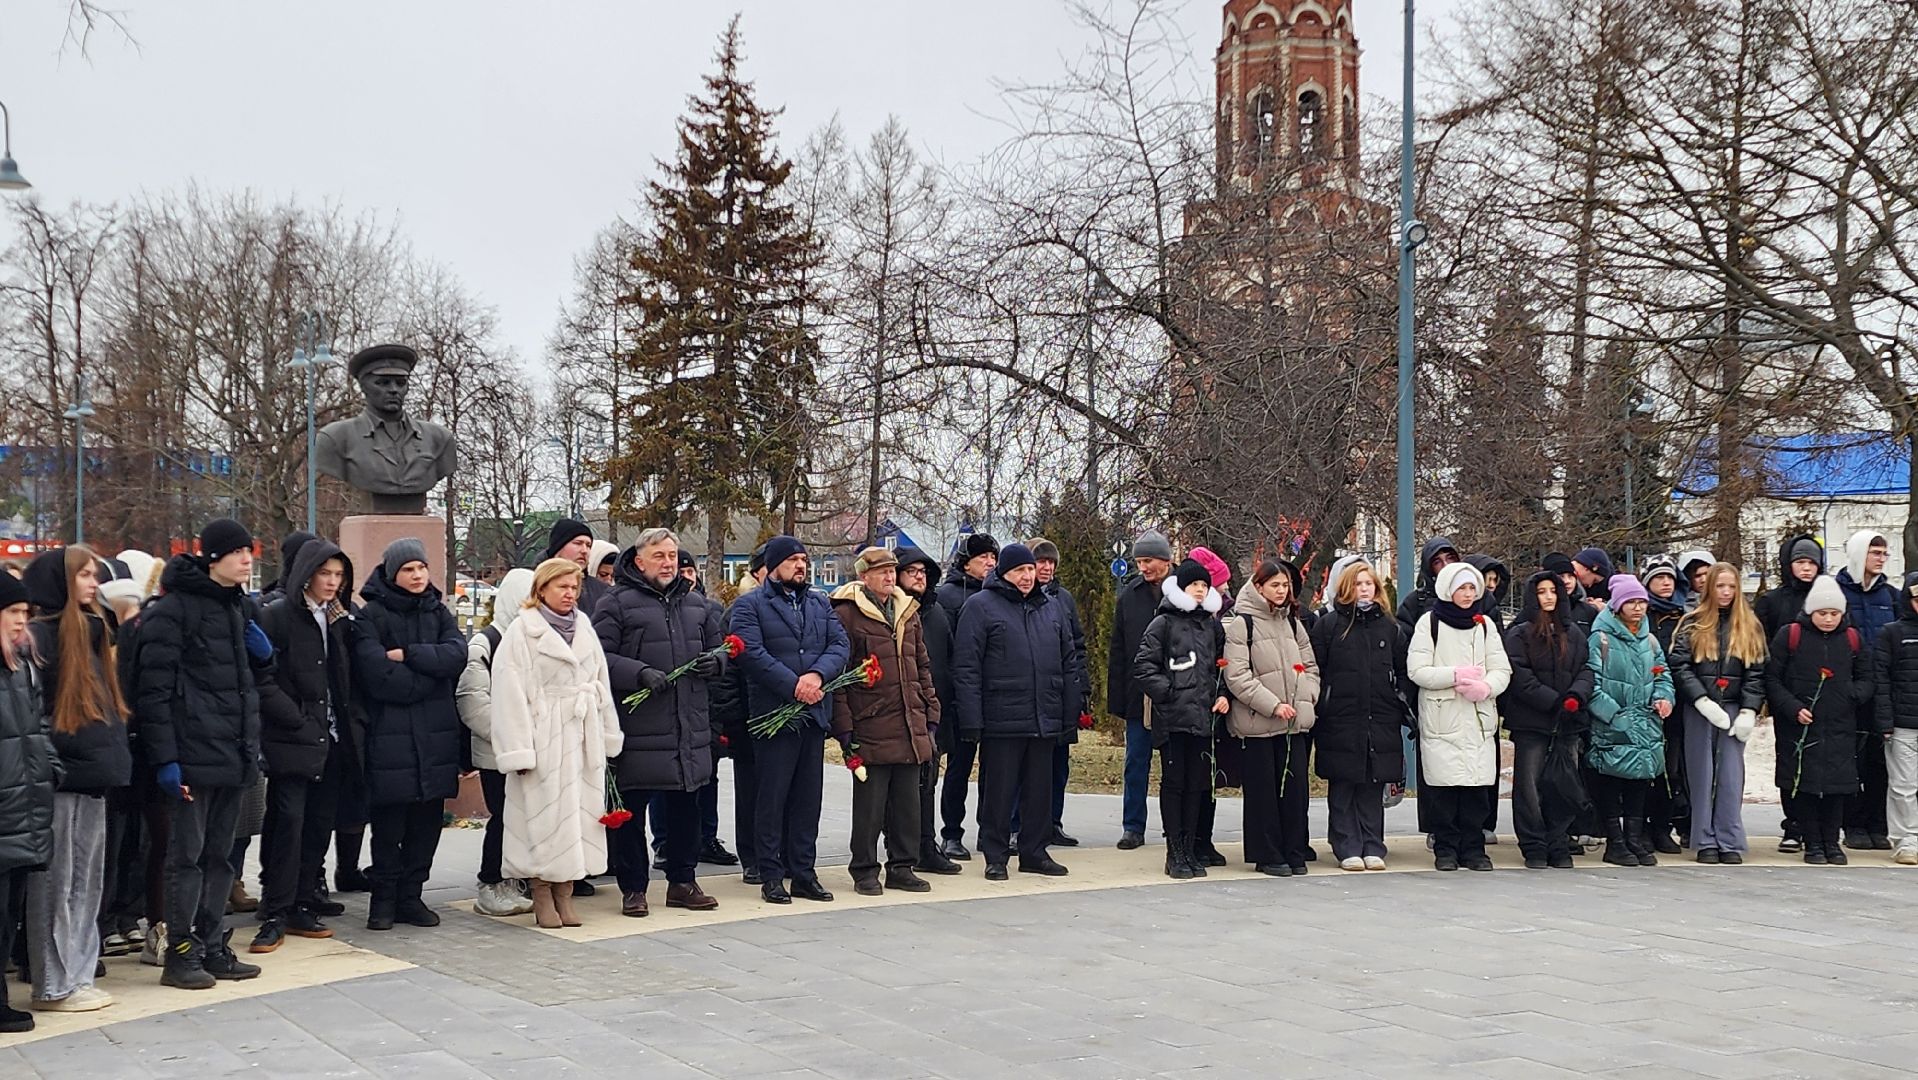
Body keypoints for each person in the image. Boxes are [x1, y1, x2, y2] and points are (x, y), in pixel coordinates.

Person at [133, 518, 264, 989]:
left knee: (221, 858)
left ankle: (212, 945)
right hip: (191, 756)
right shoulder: (174, 611)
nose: (247, 560)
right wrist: (166, 759)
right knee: (184, 859)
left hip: (233, 754)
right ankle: (180, 951)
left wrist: (263, 657)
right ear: (213, 558)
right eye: (237, 552)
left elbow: (246, 688)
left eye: (249, 552)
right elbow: (154, 692)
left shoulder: (238, 608)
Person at [595, 529, 727, 916]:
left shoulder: (696, 603)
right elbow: (598, 656)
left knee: (687, 806)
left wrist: (716, 661)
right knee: (632, 812)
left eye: (672, 555)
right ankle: (633, 887)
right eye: (659, 556)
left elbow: (721, 649)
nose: (669, 563)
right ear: (639, 561)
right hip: (638, 726)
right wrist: (638, 673)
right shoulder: (615, 603)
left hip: (688, 723)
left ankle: (683, 882)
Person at [22, 547, 130, 1012]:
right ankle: (52, 981)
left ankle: (79, 973)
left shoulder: (93, 632)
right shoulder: (42, 639)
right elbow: (36, 713)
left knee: (87, 882)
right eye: (84, 575)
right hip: (62, 779)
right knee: (57, 885)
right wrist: (55, 764)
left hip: (94, 775)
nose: (93, 583)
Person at [490, 558, 623, 929]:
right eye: (562, 586)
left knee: (579, 817)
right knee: (542, 818)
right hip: (542, 736)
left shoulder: (584, 626)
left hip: (581, 735)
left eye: (574, 587)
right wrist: (518, 748)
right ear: (542, 589)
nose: (570, 594)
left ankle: (566, 892)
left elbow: (601, 682)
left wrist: (607, 733)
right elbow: (508, 693)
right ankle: (541, 892)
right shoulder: (522, 632)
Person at [250, 540, 363, 953]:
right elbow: (263, 678)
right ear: (307, 575)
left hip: (331, 736)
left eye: (339, 576)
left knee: (318, 823)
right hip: (292, 737)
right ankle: (275, 908)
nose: (333, 583)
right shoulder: (278, 615)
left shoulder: (337, 618)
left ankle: (302, 900)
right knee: (288, 823)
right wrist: (295, 718)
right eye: (325, 574)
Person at [352, 538, 466, 931]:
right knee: (389, 827)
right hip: (390, 740)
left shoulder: (438, 611)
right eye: (408, 570)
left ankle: (411, 897)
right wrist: (429, 677)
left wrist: (409, 655)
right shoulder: (371, 616)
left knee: (426, 825)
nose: (417, 576)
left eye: (421, 568)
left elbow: (457, 654)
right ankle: (382, 902)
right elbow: (377, 676)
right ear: (391, 573)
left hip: (434, 740)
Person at [731, 536, 851, 904]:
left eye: (804, 559)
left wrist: (816, 676)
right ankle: (771, 875)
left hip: (812, 715)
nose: (801, 565)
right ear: (774, 565)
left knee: (806, 800)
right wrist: (793, 686)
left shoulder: (818, 602)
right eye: (794, 560)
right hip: (773, 714)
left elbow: (840, 645)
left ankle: (803, 872)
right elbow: (750, 652)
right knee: (772, 798)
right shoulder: (750, 605)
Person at [953, 543, 1077, 880]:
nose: (1027, 576)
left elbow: (1068, 663)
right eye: (1019, 570)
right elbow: (966, 667)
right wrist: (971, 719)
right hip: (1001, 717)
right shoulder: (980, 606)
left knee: (1040, 790)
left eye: (1030, 570)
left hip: (1043, 715)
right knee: (999, 790)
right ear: (1003, 573)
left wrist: (1068, 714)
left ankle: (1034, 852)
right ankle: (995, 854)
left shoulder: (1050, 607)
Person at [830, 547, 938, 895]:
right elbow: (840, 674)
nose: (890, 578)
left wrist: (930, 710)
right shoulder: (846, 614)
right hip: (870, 721)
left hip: (909, 720)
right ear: (864, 577)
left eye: (893, 571)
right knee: (870, 807)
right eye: (882, 572)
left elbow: (921, 664)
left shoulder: (908, 610)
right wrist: (845, 726)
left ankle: (902, 866)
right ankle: (864, 870)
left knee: (908, 803)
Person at [1407, 561, 1512, 871]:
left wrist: (1486, 687)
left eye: (1472, 588)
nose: (1467, 594)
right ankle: (1446, 847)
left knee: (1476, 787)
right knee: (1444, 787)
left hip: (1478, 719)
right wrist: (1454, 675)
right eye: (1461, 588)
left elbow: (1502, 668)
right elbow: (1417, 670)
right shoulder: (1430, 623)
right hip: (1443, 717)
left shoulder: (1485, 625)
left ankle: (1474, 848)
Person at [1768, 575, 1873, 865]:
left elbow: (1867, 677)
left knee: (1838, 786)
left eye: (1834, 614)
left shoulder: (1852, 638)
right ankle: (1812, 841)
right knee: (1806, 785)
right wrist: (1792, 707)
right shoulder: (1791, 635)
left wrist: (1853, 695)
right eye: (1822, 613)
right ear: (1811, 611)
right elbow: (1773, 679)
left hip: (1840, 724)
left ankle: (1832, 841)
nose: (1828, 619)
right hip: (1801, 725)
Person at [1310, 561, 1409, 870]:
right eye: (1358, 583)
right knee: (1343, 784)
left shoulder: (1390, 627)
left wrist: (1398, 701)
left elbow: (1402, 671)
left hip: (1379, 716)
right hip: (1340, 716)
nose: (1364, 589)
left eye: (1369, 583)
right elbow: (1318, 669)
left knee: (1371, 782)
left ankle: (1372, 844)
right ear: (1345, 588)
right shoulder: (1329, 625)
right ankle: (1345, 844)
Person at [1133, 559, 1227, 880]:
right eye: (1194, 585)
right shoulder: (1163, 623)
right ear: (1181, 588)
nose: (1200, 590)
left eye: (1204, 585)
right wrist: (1168, 692)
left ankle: (1190, 846)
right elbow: (1144, 665)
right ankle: (1174, 850)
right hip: (1173, 719)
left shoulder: (1211, 625)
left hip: (1204, 717)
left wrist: (1222, 694)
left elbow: (1222, 666)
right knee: (1175, 783)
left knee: (1197, 785)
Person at [1224, 559, 1318, 876]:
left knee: (1294, 792)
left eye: (1285, 585)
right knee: (1263, 793)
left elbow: (1309, 666)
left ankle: (1293, 850)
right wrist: (1273, 704)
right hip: (1258, 724)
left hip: (1294, 724)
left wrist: (1308, 695)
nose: (1281, 590)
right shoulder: (1243, 624)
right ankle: (1267, 853)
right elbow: (1236, 675)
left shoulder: (1292, 622)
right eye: (1274, 584)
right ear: (1259, 586)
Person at [1669, 562, 1766, 864]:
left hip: (1735, 707)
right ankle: (1705, 838)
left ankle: (1730, 837)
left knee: (1730, 774)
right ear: (1709, 588)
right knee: (1701, 772)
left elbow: (1757, 671)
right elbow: (1680, 665)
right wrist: (1701, 699)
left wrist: (1750, 710)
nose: (1726, 592)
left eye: (1731, 586)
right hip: (1702, 709)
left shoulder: (1750, 625)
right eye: (1720, 586)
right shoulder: (1692, 623)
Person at [455, 568, 536, 917]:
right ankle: (490, 883)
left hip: (530, 746)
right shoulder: (485, 644)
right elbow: (473, 702)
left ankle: (514, 880)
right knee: (502, 817)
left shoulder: (533, 640)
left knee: (525, 818)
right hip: (496, 751)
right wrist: (510, 734)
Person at [1500, 572, 1593, 869]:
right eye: (1542, 591)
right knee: (1529, 785)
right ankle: (1534, 844)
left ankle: (1558, 840)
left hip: (1567, 722)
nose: (1549, 596)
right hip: (1532, 722)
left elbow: (1587, 669)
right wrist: (1553, 701)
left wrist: (1576, 697)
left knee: (1562, 783)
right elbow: (1520, 676)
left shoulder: (1574, 633)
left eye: (1553, 591)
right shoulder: (1520, 633)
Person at [0, 572, 57, 1033]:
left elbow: (38, 725)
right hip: (6, 807)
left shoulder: (22, 666)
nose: (23, 624)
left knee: (8, 914)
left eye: (25, 614)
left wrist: (49, 768)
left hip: (23, 807)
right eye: (14, 614)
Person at [1585, 574, 1675, 867]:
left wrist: (1664, 699)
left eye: (1642, 602)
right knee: (1612, 781)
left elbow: (1662, 675)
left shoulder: (1649, 641)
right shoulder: (1600, 639)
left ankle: (1634, 838)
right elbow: (1592, 683)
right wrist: (1614, 715)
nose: (1638, 608)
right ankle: (1615, 841)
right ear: (1618, 605)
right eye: (1631, 602)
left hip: (1646, 723)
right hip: (1615, 723)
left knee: (1640, 781)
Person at [895, 546, 961, 878]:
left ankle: (925, 845)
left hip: (932, 715)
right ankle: (902, 850)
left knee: (927, 783)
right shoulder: (891, 612)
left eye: (923, 572)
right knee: (899, 789)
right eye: (912, 572)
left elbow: (948, 663)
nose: (919, 577)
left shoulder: (935, 614)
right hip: (896, 716)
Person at [1755, 533, 1823, 852]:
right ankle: (1793, 824)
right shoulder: (1773, 602)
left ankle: (1819, 825)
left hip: (1824, 691)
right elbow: (1761, 647)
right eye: (1800, 562)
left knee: (1821, 759)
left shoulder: (1828, 598)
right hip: (1785, 692)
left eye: (1811, 563)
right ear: (1788, 565)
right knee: (1789, 760)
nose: (1806, 569)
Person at [1108, 530, 1174, 851]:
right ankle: (1132, 826)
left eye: (1148, 561)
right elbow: (1118, 652)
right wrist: (1118, 700)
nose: (1143, 567)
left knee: (1175, 765)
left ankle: (1175, 824)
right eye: (1139, 562)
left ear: (1165, 560)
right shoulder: (1129, 597)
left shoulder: (1182, 592)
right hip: (1139, 696)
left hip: (1176, 696)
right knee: (1136, 763)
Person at [936, 532, 997, 860]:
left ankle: (989, 830)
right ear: (966, 561)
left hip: (994, 694)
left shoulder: (999, 595)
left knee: (994, 768)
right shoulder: (948, 596)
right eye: (983, 557)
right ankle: (951, 833)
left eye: (993, 558)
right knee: (958, 767)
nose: (989, 563)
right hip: (960, 695)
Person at [1024, 538, 1088, 848]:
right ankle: (1020, 824)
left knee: (1058, 766)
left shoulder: (1064, 599)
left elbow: (1077, 646)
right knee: (1028, 769)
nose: (1046, 567)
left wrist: (1081, 689)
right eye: (1041, 561)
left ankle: (1053, 822)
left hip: (1062, 696)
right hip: (1032, 699)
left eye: (1051, 562)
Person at [711, 543, 769, 883]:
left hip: (779, 714)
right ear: (759, 572)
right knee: (751, 791)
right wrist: (732, 719)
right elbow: (727, 671)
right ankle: (752, 856)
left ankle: (778, 851)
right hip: (747, 717)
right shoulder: (737, 612)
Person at [1838, 531, 1898, 850]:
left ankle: (1878, 823)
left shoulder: (1891, 595)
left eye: (1884, 553)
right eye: (1875, 551)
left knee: (1880, 761)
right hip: (1847, 689)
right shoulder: (1836, 591)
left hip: (1883, 691)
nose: (1880, 558)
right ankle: (1853, 824)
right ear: (1860, 553)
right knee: (1852, 760)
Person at [1639, 554, 1690, 854]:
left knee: (1669, 769)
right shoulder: (1638, 614)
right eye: (1658, 577)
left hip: (1676, 703)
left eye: (1669, 577)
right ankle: (1641, 827)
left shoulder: (1684, 616)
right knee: (1644, 769)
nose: (1666, 582)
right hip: (1643, 702)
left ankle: (1662, 827)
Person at [1873, 571, 1918, 865]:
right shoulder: (1892, 633)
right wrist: (1885, 721)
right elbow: (1881, 679)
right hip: (1903, 723)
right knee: (1904, 785)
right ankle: (1907, 840)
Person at [542, 518, 611, 618]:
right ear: (558, 548)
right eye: (578, 543)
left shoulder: (604, 593)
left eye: (588, 545)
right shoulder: (532, 584)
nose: (584, 551)